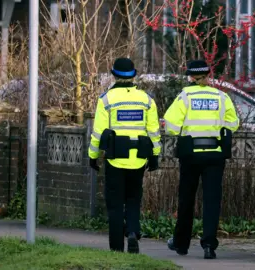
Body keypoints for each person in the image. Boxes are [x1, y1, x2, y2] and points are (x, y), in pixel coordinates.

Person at [163, 60, 239, 259]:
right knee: (212, 200)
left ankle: (181, 244)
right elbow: (233, 123)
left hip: (190, 154)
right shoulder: (221, 97)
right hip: (215, 154)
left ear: (190, 76)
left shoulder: (185, 96)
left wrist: (184, 132)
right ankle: (209, 246)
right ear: (208, 75)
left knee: (186, 199)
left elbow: (170, 125)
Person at [88, 58, 161, 253]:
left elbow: (99, 133)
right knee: (133, 199)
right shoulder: (146, 100)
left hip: (115, 158)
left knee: (114, 203)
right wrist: (154, 156)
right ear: (133, 75)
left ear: (113, 75)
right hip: (138, 159)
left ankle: (116, 247)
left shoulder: (106, 100)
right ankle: (132, 232)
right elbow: (153, 131)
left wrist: (93, 156)